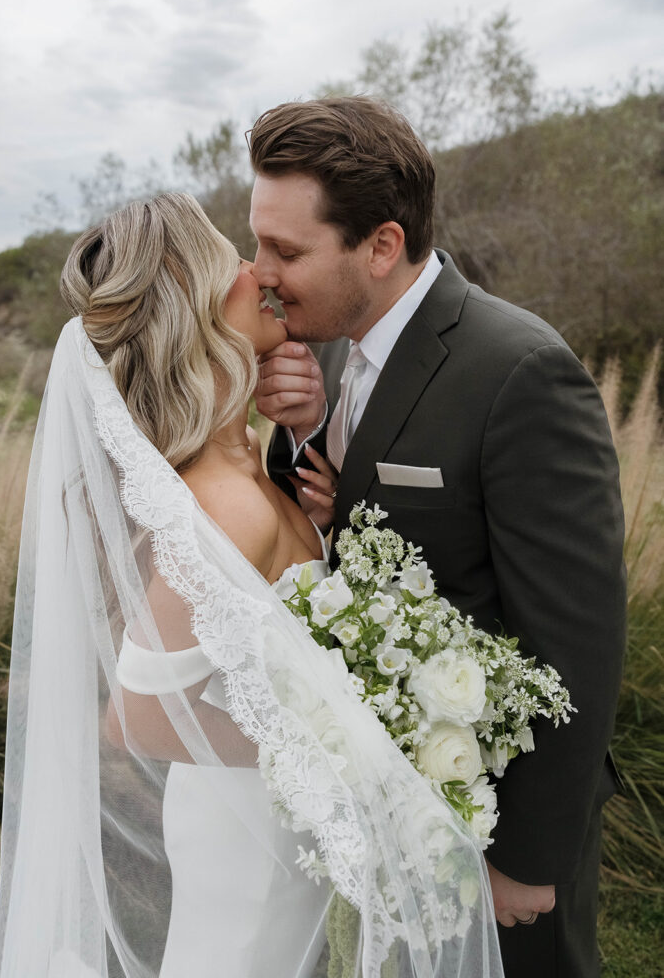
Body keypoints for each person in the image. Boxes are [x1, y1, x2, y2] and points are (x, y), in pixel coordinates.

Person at [0, 193, 504, 977]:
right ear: (192, 297)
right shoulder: (220, 500)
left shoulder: (248, 463)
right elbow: (136, 719)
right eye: (229, 256)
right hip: (245, 845)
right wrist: (353, 744)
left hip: (266, 828)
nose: (254, 270)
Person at [249, 96, 627, 978]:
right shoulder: (330, 348)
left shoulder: (519, 371)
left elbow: (575, 639)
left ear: (380, 246)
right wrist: (301, 440)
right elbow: (352, 530)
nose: (260, 272)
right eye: (259, 241)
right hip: (384, 804)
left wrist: (524, 857)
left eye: (287, 251)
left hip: (497, 813)